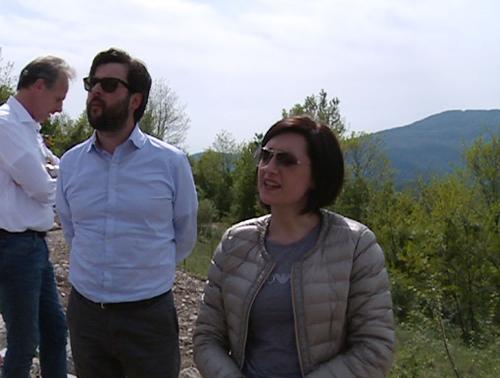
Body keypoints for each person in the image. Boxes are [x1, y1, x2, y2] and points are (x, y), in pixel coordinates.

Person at [193, 116, 395, 377]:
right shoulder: (235, 242)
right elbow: (207, 338)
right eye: (265, 156)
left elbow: (375, 348)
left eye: (286, 160)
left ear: (317, 176)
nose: (269, 168)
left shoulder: (356, 246)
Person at [56, 48, 198, 378]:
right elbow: (71, 228)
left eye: (108, 85)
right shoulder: (71, 163)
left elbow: (185, 234)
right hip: (86, 313)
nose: (95, 92)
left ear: (135, 99)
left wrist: (142, 274)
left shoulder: (170, 162)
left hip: (147, 316)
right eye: (92, 83)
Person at [0, 56, 74, 378]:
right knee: (24, 340)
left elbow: (58, 169)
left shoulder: (28, 128)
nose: (58, 108)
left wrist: (52, 174)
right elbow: (44, 188)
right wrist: (54, 177)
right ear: (39, 86)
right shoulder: (6, 125)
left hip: (32, 246)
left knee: (55, 332)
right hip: (12, 246)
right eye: (58, 98)